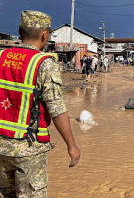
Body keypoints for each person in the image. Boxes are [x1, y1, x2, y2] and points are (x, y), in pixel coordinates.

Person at [0, 10, 80, 197]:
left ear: (20, 32)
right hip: (29, 149)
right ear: (45, 35)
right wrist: (71, 145)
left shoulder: (1, 57)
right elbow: (56, 109)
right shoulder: (44, 63)